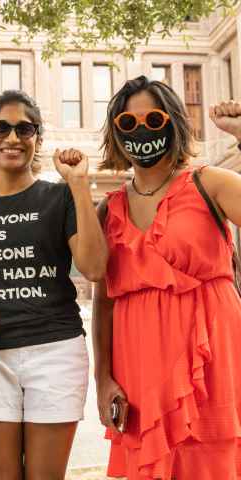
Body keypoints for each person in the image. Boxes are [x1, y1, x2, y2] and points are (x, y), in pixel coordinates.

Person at [0, 90, 108, 479]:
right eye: (1, 128)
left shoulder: (61, 197)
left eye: (25, 129)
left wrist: (80, 185)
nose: (12, 138)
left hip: (55, 352)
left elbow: (95, 266)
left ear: (37, 140)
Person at [93, 75, 241, 479]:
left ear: (174, 122)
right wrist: (102, 378)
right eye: (128, 122)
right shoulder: (109, 208)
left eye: (153, 120)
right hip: (138, 361)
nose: (141, 130)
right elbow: (102, 301)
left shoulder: (210, 183)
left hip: (210, 352)